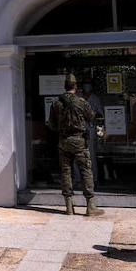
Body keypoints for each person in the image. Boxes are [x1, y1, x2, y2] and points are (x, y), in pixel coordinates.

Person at [49, 74, 104, 217]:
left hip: (63, 141)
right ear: (76, 86)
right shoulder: (81, 102)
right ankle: (90, 206)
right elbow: (92, 117)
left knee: (66, 172)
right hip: (79, 141)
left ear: (65, 86)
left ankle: (68, 206)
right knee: (86, 170)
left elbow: (52, 125)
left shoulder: (56, 103)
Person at [81, 79, 105, 183]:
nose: (87, 87)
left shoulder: (95, 99)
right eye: (85, 85)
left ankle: (93, 178)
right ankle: (78, 178)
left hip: (90, 128)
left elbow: (101, 115)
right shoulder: (78, 97)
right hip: (79, 129)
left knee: (91, 154)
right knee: (78, 154)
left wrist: (93, 115)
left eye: (89, 85)